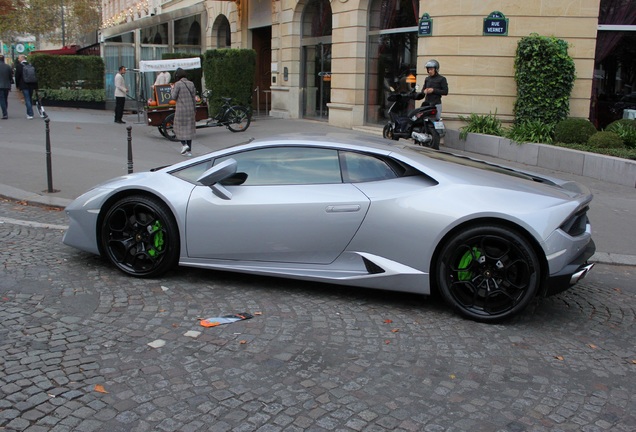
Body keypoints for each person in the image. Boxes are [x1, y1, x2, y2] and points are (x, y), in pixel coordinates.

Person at [170, 68, 197, 156]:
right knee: (189, 130)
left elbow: (173, 97)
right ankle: (189, 151)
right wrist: (194, 109)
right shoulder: (191, 83)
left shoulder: (177, 84)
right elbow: (194, 98)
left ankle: (184, 145)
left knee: (177, 128)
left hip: (181, 110)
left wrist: (172, 88)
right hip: (190, 110)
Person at [14, 54, 38, 119]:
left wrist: (17, 85)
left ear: (22, 58)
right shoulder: (30, 65)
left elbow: (17, 77)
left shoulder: (19, 66)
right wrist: (36, 86)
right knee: (29, 98)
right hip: (31, 84)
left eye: (19, 58)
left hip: (24, 85)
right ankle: (29, 113)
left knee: (27, 99)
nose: (18, 59)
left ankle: (30, 114)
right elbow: (34, 76)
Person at [0, 54, 13, 119]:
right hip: (7, 85)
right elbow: (10, 77)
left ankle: (5, 114)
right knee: (5, 99)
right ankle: (5, 111)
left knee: (1, 99)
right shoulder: (8, 66)